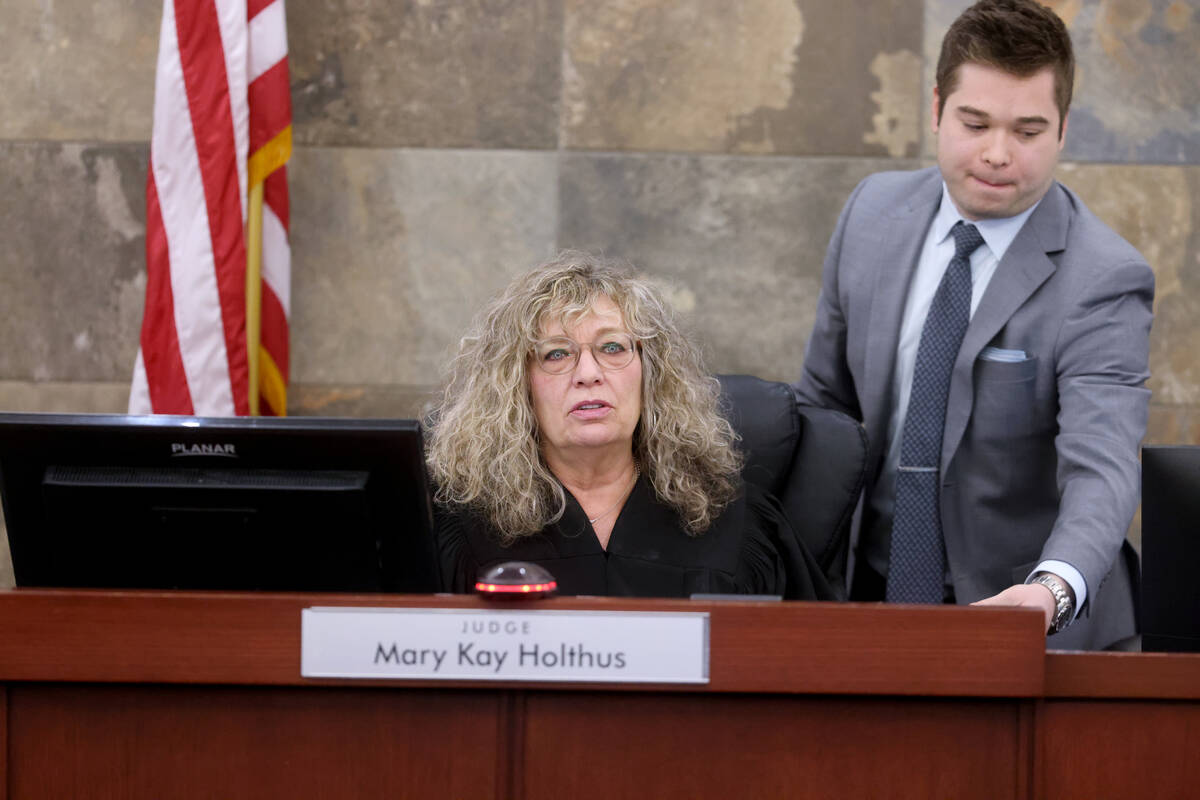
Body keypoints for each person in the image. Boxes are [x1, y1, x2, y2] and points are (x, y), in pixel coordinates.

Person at [795, 0, 1153, 649]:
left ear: (1064, 130)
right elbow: (822, 409)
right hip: (864, 602)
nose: (996, 153)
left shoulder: (1104, 279)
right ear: (936, 108)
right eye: (976, 122)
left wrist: (1053, 590)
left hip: (1029, 625)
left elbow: (1101, 471)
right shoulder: (870, 215)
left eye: (1027, 130)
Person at [426, 252, 832, 600]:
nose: (588, 373)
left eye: (612, 347)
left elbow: (815, 662)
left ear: (650, 373)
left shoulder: (736, 523)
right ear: (518, 383)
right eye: (555, 354)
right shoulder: (461, 528)